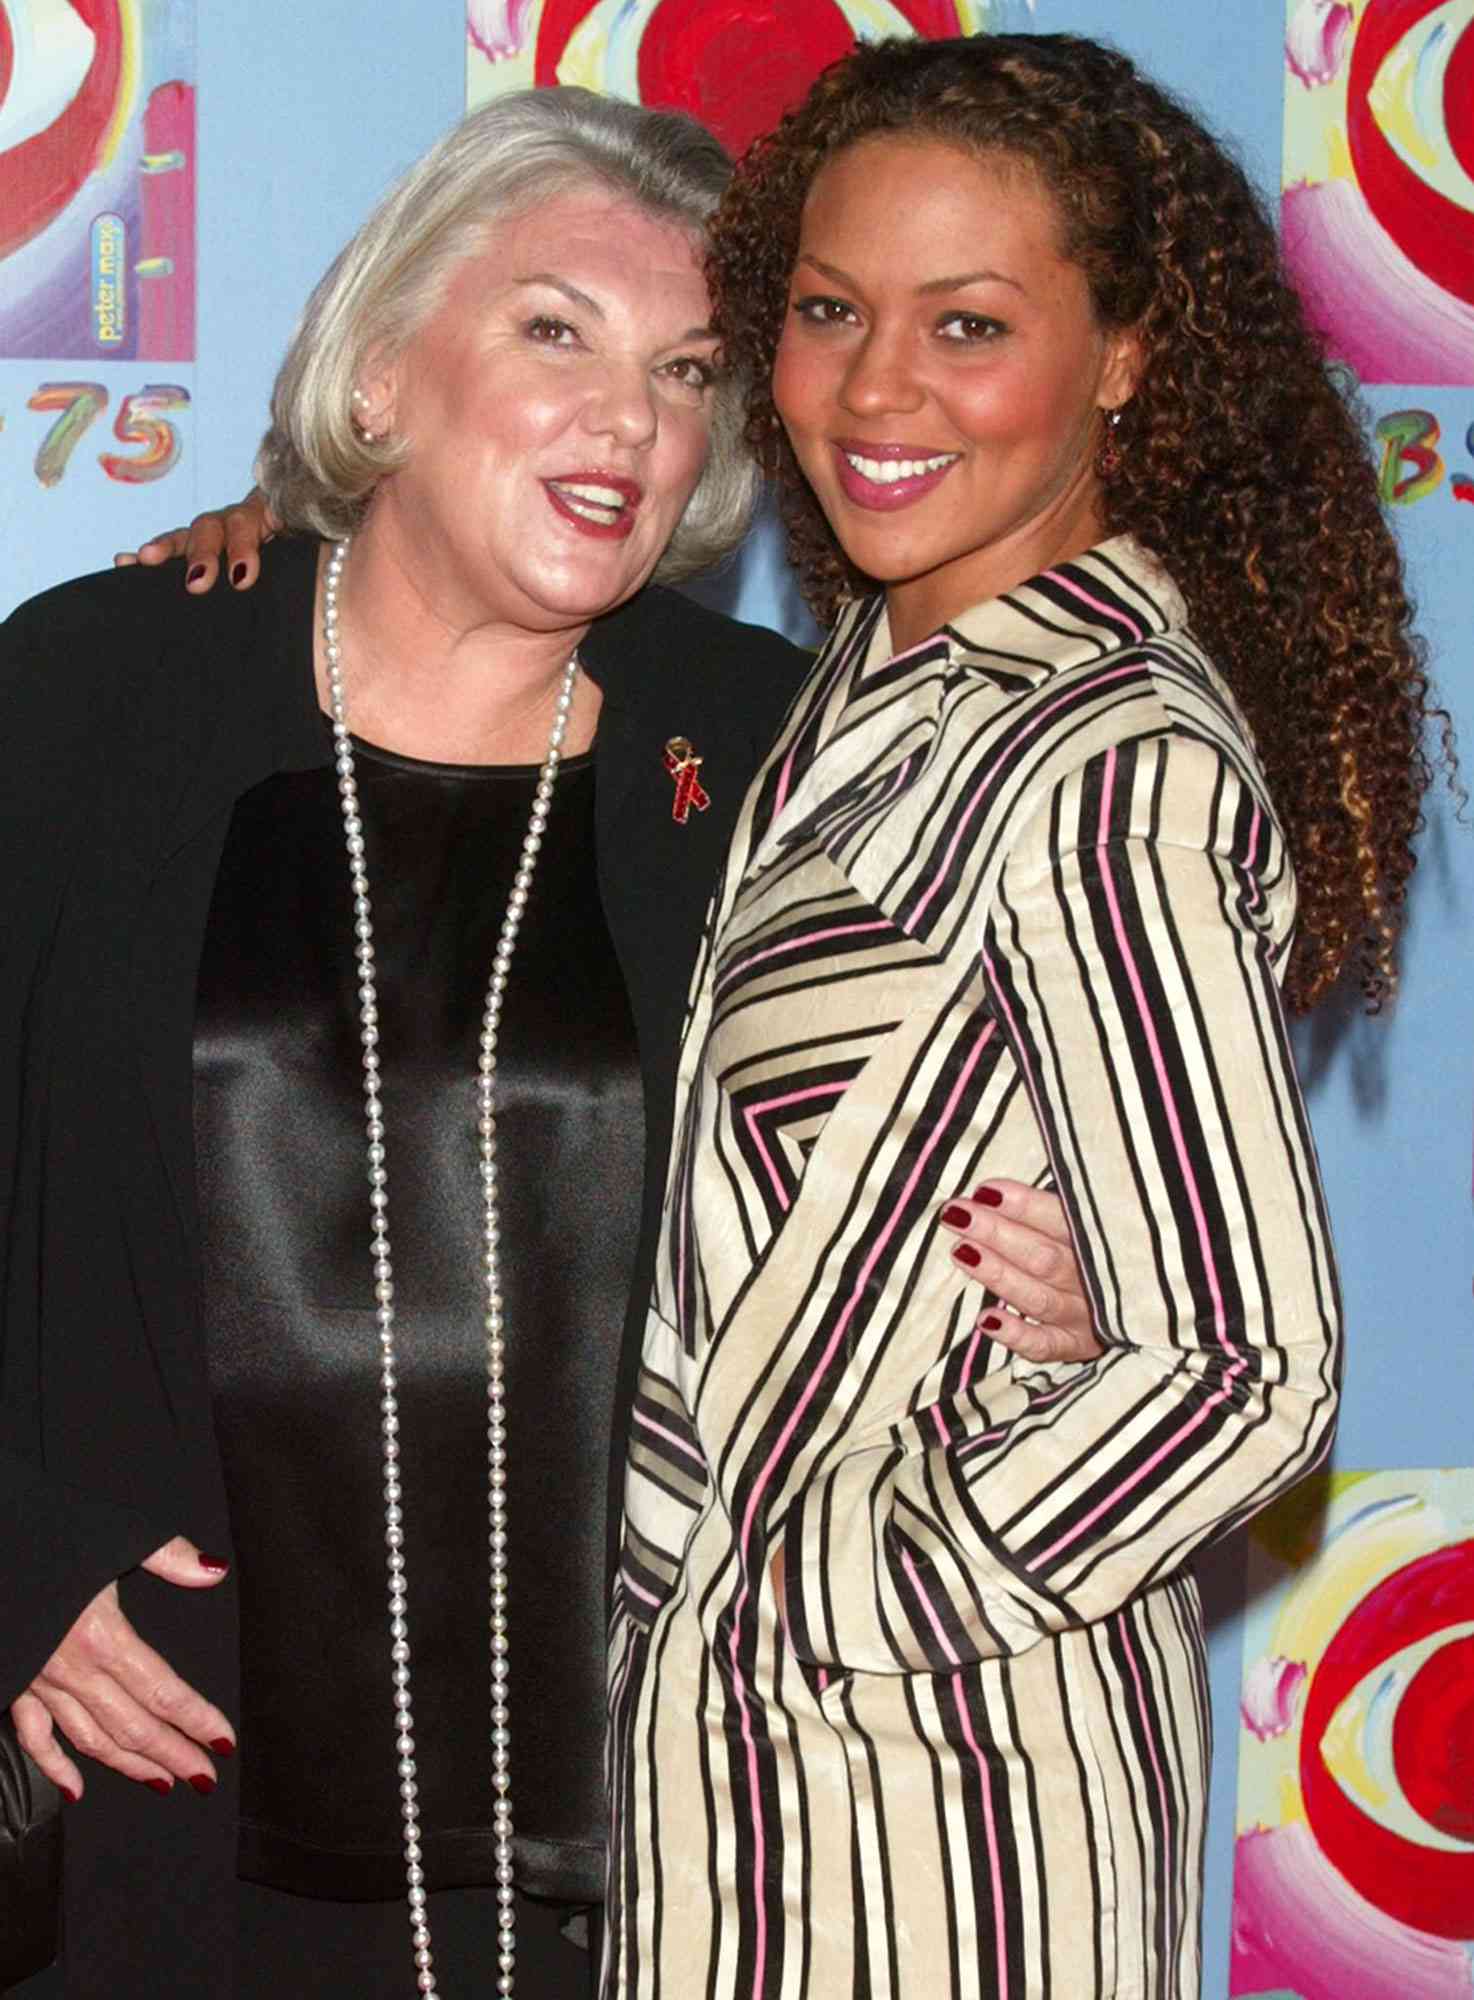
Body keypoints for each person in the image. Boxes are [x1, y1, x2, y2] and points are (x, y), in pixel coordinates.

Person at [1, 83, 1088, 2000]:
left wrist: (1064, 1298)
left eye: (686, 372)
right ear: (383, 371)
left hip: (654, 1843)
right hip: (158, 1796)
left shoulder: (788, 754)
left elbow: (932, 1181)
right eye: (553, 330)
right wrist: (10, 1558)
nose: (629, 419)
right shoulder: (104, 687)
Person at [599, 33, 1441, 2000]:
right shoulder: (857, 696)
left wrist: (840, 1583)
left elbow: (1233, 1359)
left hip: (953, 1820)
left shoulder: (1105, 758)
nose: (874, 389)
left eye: (965, 322)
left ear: (1125, 358)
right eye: (825, 311)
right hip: (732, 1801)